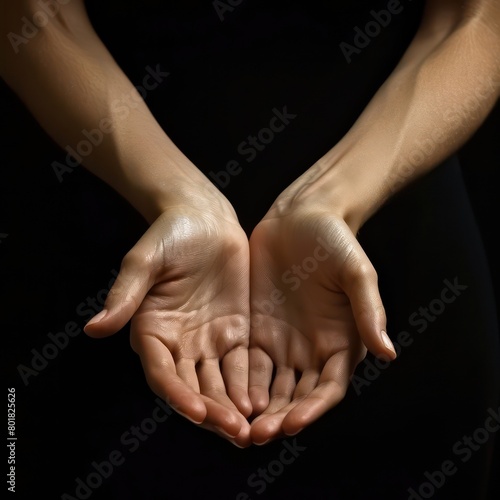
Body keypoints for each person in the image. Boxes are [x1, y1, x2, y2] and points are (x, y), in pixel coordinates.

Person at [1, 0, 499, 498]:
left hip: (391, 267)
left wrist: (331, 199)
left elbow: (474, 21)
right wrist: (178, 195)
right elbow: (36, 16)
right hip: (101, 260)